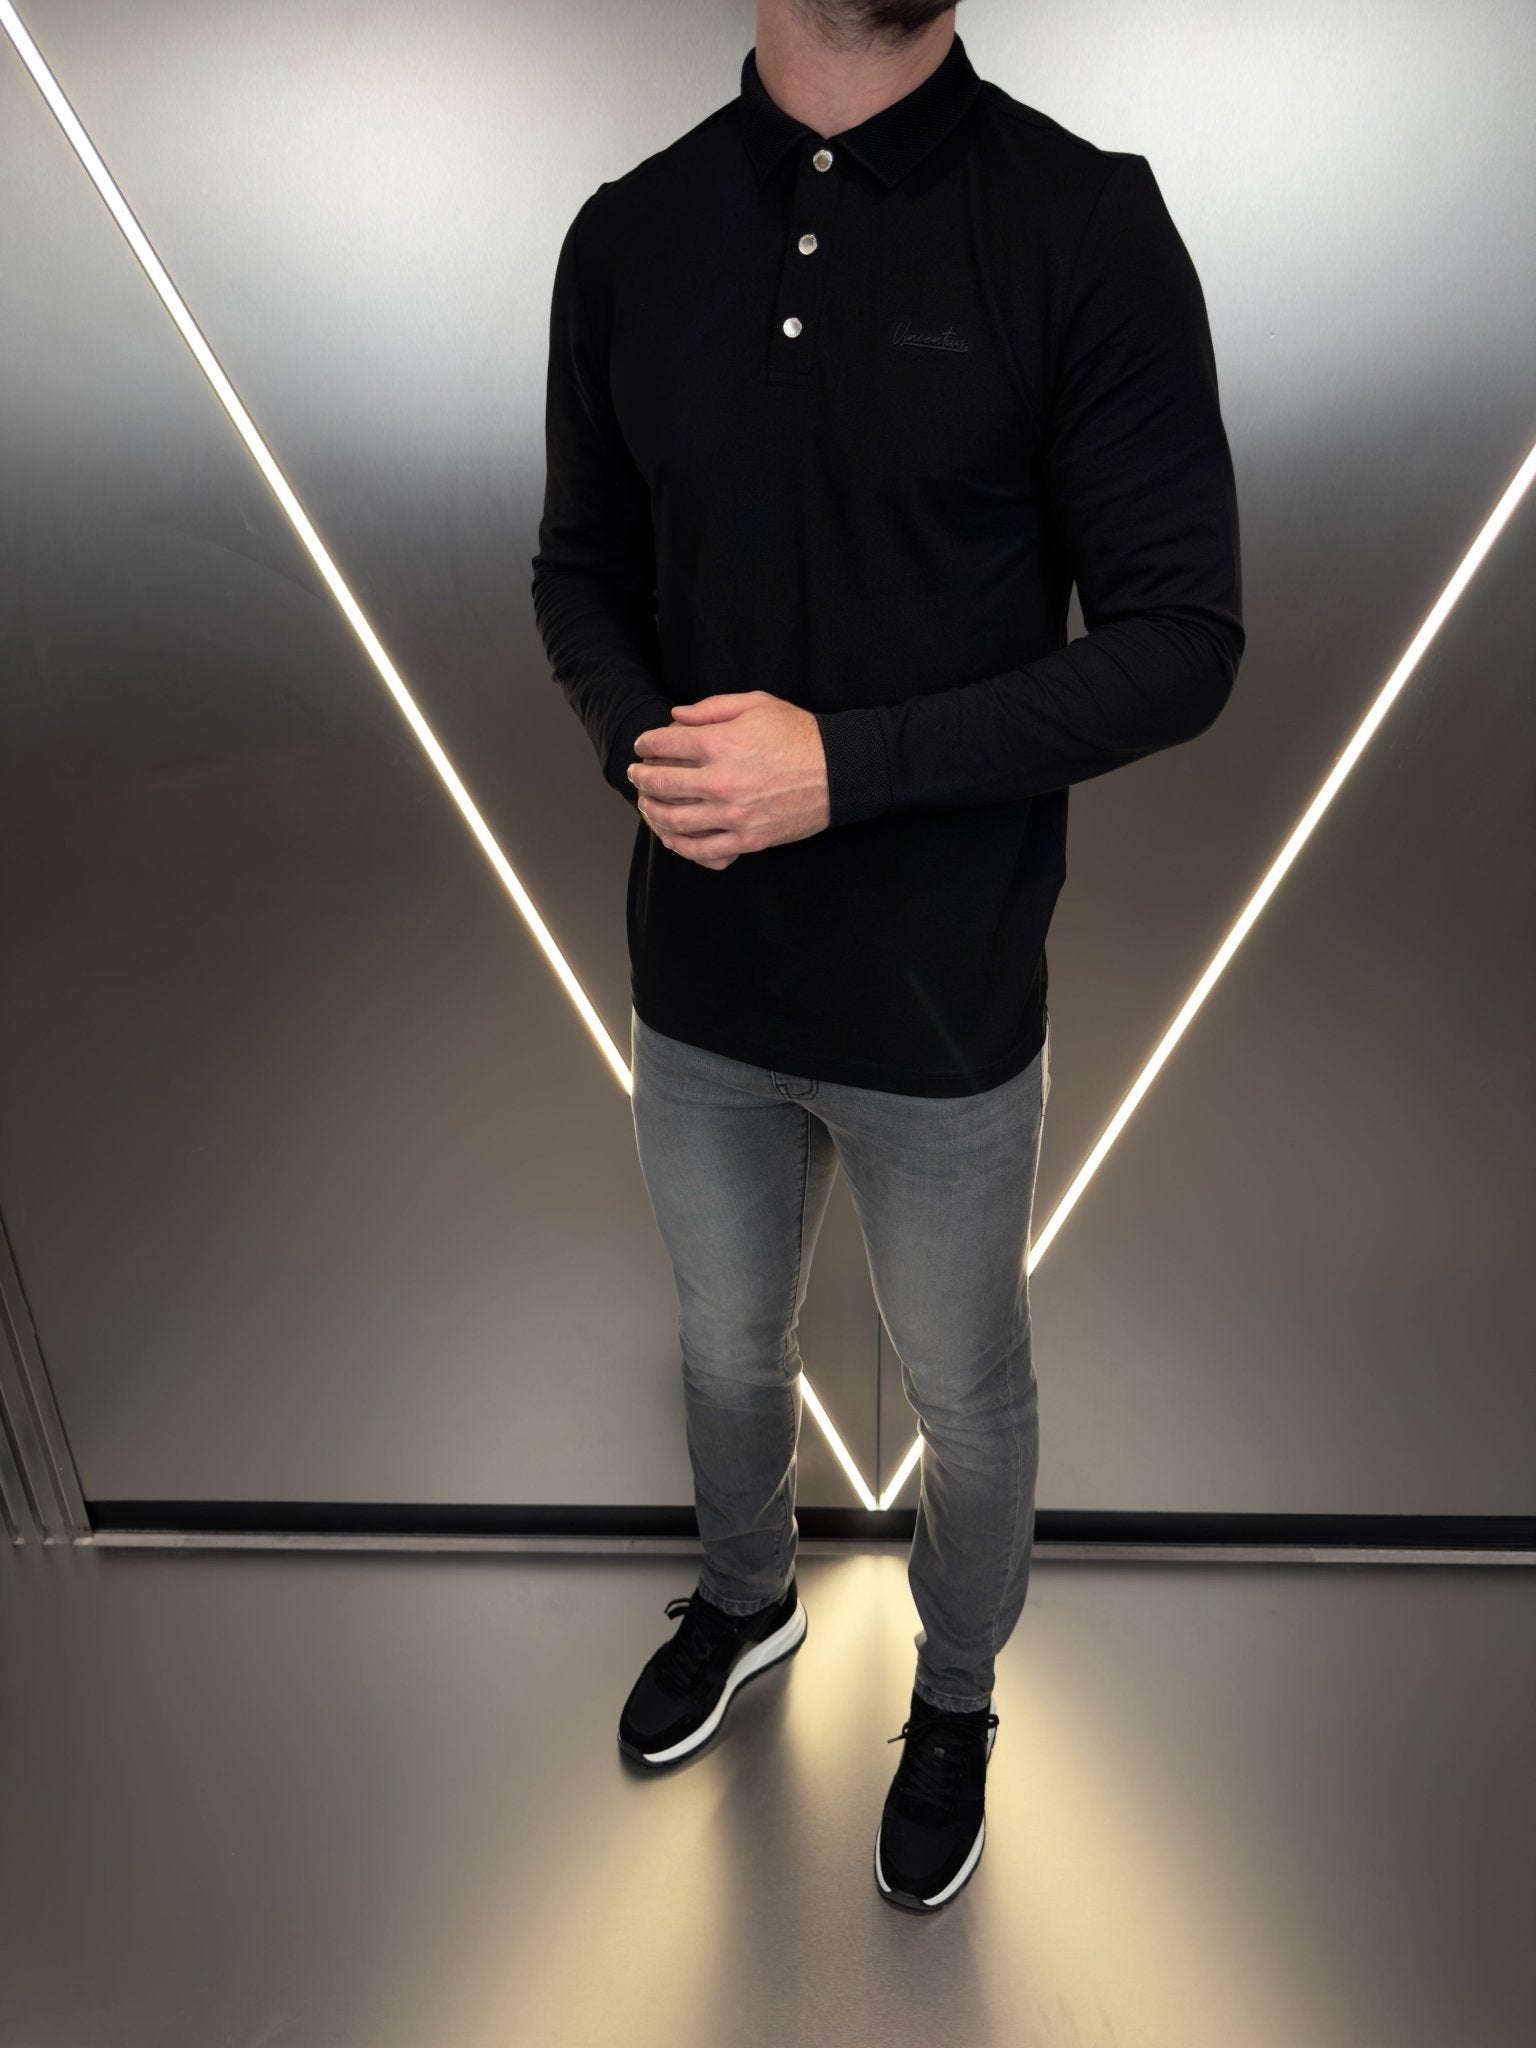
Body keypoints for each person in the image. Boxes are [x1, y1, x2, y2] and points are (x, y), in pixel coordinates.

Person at [530, 0, 1243, 1913]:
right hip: (702, 982)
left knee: (965, 1393)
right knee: (721, 1346)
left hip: (949, 995)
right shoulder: (633, 231)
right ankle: (747, 1600)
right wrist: (650, 747)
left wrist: (841, 769)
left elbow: (1181, 636)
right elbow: (576, 567)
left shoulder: (1082, 222)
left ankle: (955, 1694)